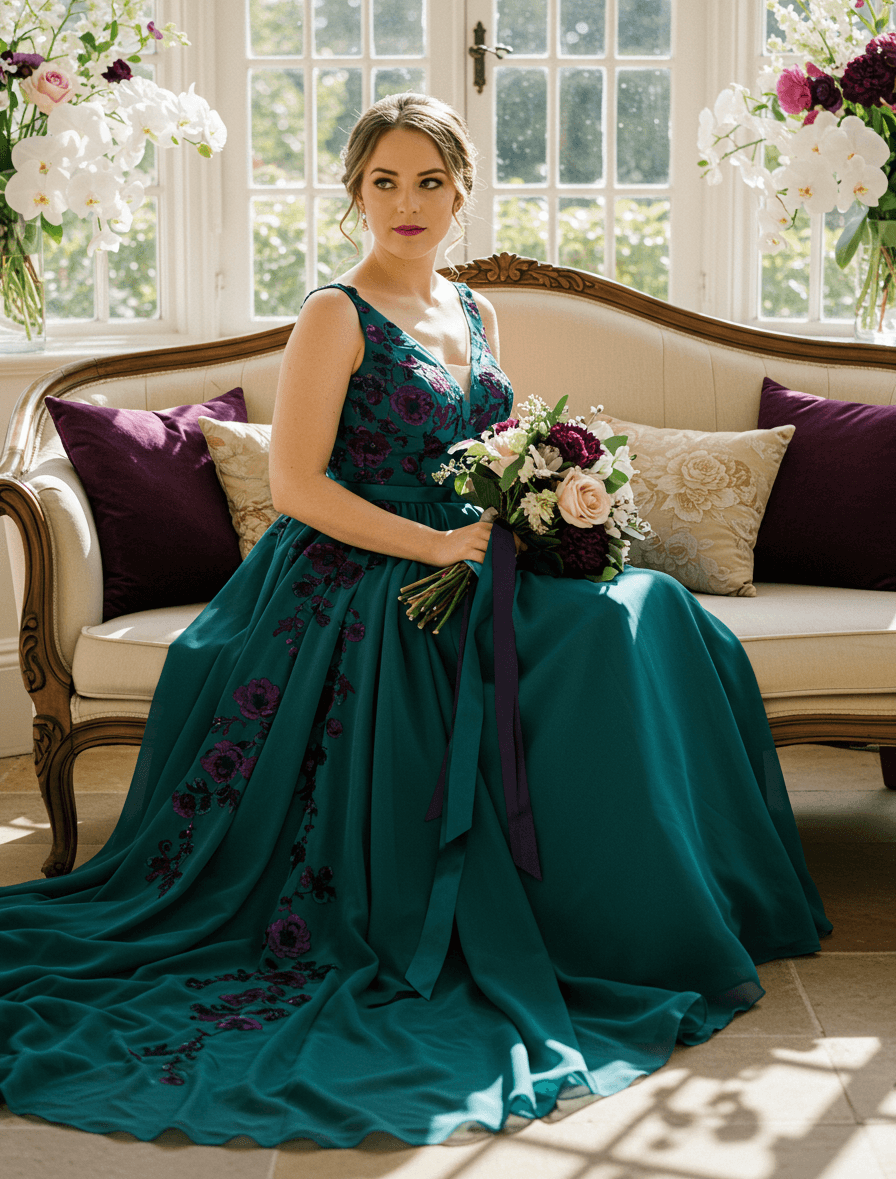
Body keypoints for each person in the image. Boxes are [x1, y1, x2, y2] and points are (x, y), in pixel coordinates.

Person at [0, 93, 830, 1148]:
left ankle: (653, 905)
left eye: (429, 181)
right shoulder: (333, 314)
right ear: (356, 192)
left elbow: (493, 448)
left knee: (650, 611)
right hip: (361, 569)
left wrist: (541, 506)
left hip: (472, 550)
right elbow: (297, 485)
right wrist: (432, 548)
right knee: (595, 635)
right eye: (384, 181)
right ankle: (555, 907)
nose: (407, 202)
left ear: (460, 191)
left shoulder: (475, 309)